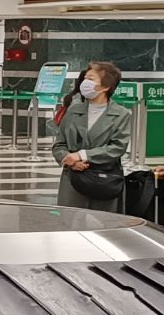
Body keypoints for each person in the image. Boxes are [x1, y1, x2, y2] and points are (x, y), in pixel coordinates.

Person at [52, 60, 133, 209]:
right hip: (73, 179)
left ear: (106, 87)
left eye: (91, 79)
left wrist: (82, 155)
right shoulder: (74, 110)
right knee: (70, 224)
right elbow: (59, 144)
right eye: (85, 79)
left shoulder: (121, 115)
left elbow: (117, 148)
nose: (85, 83)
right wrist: (68, 159)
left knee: (102, 225)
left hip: (104, 179)